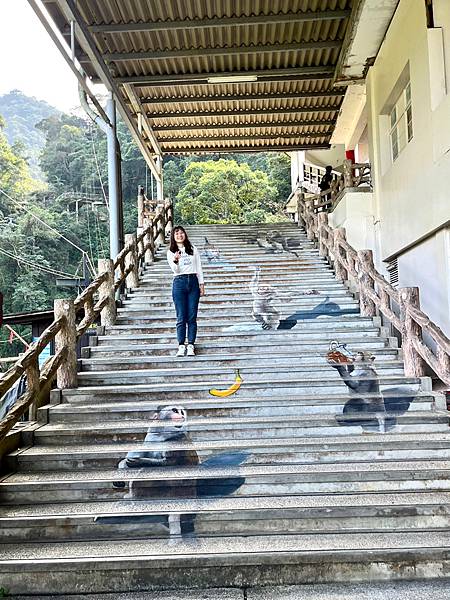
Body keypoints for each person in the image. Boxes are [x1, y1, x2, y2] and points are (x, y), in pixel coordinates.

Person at [167, 226, 205, 356]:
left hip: (193, 281)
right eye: (176, 233)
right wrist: (176, 260)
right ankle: (181, 345)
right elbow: (175, 270)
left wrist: (202, 284)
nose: (179, 235)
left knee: (192, 316)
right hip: (179, 283)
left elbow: (199, 268)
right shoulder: (171, 252)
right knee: (181, 316)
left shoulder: (193, 249)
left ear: (185, 234)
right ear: (173, 236)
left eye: (181, 233)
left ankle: (191, 345)